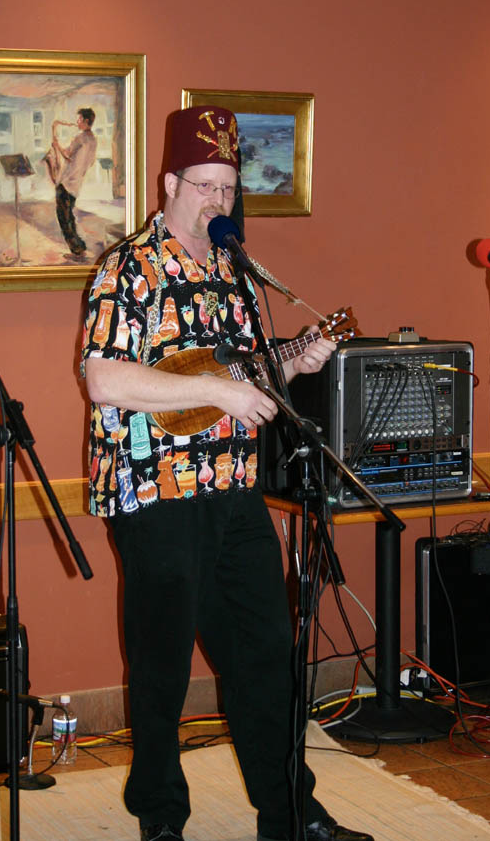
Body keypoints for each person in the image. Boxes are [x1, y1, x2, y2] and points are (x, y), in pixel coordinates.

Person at [80, 105, 374, 841]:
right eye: (204, 185)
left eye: (227, 188)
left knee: (267, 653)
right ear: (169, 183)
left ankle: (290, 813)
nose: (217, 201)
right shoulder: (130, 267)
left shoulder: (234, 275)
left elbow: (243, 376)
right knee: (163, 666)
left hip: (234, 490)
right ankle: (161, 821)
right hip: (153, 492)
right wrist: (217, 390)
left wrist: (295, 362)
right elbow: (105, 378)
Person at [52, 107, 97, 256]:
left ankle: (76, 248)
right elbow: (89, 162)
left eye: (78, 119)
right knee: (68, 214)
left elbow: (67, 154)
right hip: (76, 183)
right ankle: (79, 245)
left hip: (66, 182)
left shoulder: (80, 138)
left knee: (64, 217)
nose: (76, 122)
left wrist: (56, 144)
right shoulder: (93, 140)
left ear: (85, 121)